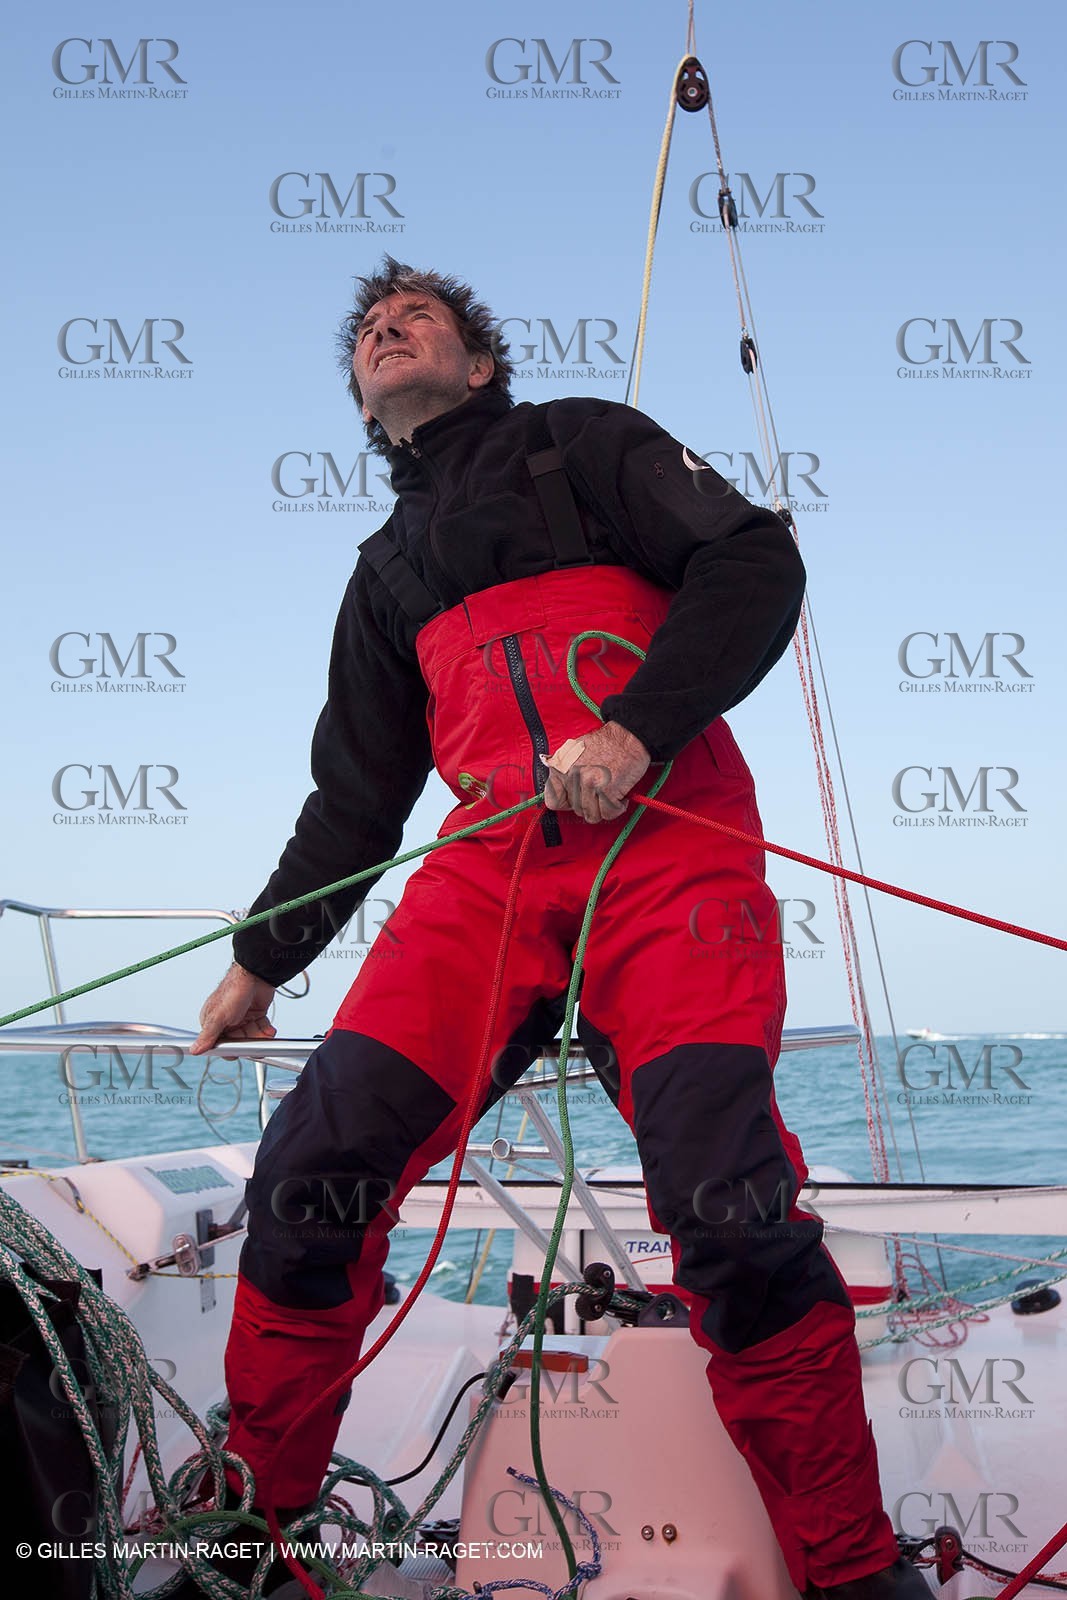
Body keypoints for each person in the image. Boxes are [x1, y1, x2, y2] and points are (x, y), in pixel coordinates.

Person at [189, 255, 925, 1599]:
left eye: (417, 316)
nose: (386, 329)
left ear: (478, 364)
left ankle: (851, 1565)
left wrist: (635, 730)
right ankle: (260, 1537)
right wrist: (260, 960)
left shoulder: (583, 444)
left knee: (727, 1202)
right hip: (487, 877)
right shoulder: (384, 574)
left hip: (669, 851)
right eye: (367, 328)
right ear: (360, 395)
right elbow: (356, 797)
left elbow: (754, 557)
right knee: (309, 1175)